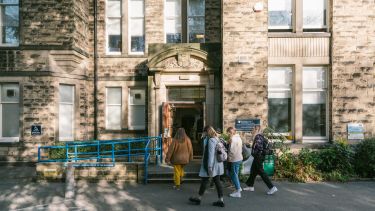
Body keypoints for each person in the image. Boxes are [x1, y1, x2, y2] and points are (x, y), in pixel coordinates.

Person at [189, 126, 225, 207]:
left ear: (206, 132)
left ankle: (199, 198)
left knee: (205, 181)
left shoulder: (211, 140)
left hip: (212, 165)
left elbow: (211, 155)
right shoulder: (216, 138)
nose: (203, 133)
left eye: (204, 132)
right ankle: (220, 200)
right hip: (217, 164)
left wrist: (209, 167)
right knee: (216, 181)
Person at [243, 125, 278, 195]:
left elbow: (259, 147)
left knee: (261, 172)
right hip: (258, 156)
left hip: (258, 157)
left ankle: (272, 187)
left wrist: (254, 148)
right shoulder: (260, 136)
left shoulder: (258, 137)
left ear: (257, 130)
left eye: (253, 129)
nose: (252, 131)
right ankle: (250, 186)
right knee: (253, 170)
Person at [226, 127, 243, 198]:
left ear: (231, 132)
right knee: (234, 174)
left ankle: (238, 190)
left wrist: (227, 157)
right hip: (239, 158)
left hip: (234, 159)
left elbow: (232, 151)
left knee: (233, 174)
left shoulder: (233, 139)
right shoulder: (238, 138)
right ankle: (237, 188)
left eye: (228, 133)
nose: (228, 134)